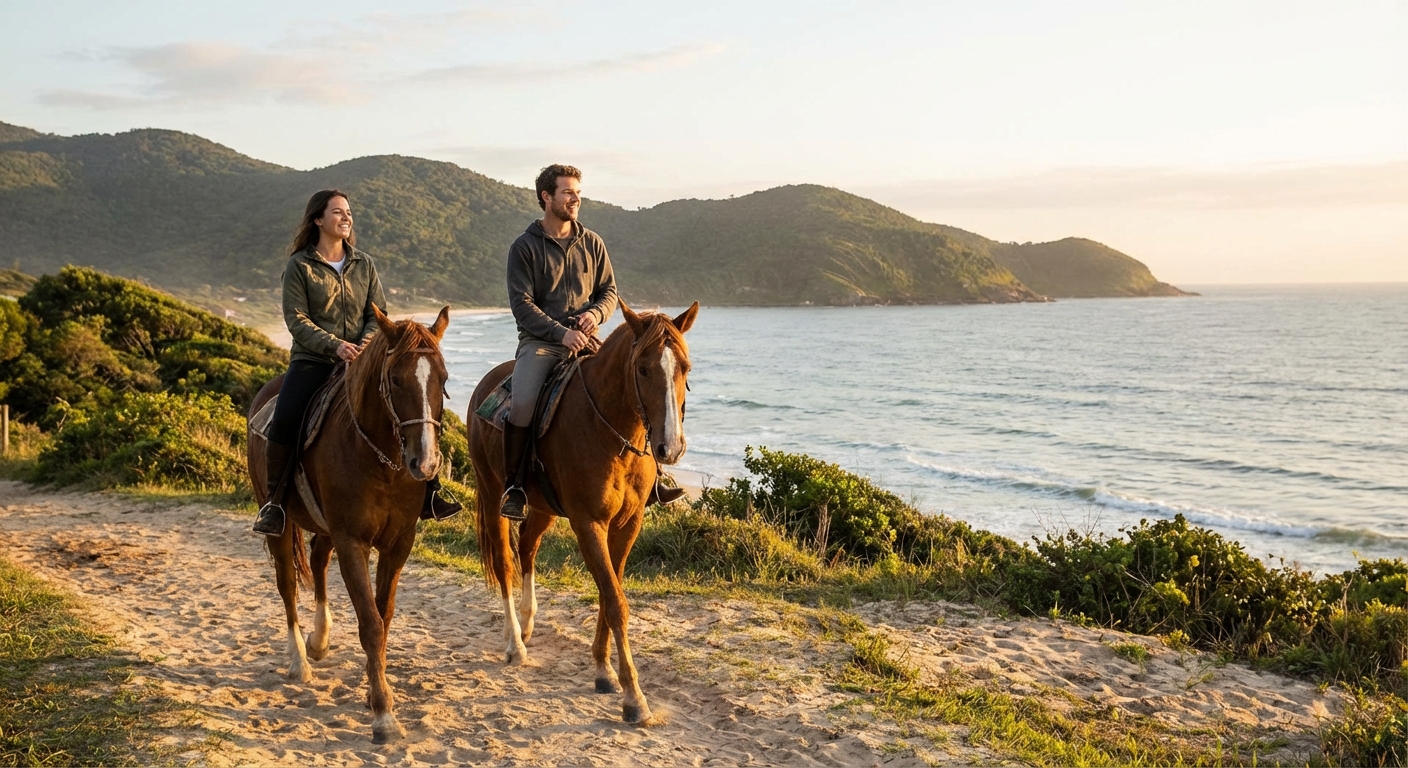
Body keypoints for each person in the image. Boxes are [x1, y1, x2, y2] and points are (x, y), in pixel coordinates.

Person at [252, 189, 460, 536]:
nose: (346, 217)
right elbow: (297, 318)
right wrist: (335, 346)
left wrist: (363, 344)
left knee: (418, 406)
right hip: (314, 360)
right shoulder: (300, 265)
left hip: (363, 358)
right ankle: (274, 502)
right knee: (285, 419)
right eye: (337, 212)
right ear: (318, 219)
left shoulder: (364, 263)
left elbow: (376, 313)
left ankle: (430, 491)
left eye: (348, 212)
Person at [500, 165, 620, 520]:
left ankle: (654, 478)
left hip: (589, 340)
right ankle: (516, 486)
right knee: (521, 405)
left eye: (578, 192)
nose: (575, 198)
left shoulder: (593, 243)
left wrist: (595, 316)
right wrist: (561, 333)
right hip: (541, 344)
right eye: (568, 192)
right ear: (546, 197)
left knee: (635, 383)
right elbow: (521, 305)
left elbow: (609, 292)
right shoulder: (523, 247)